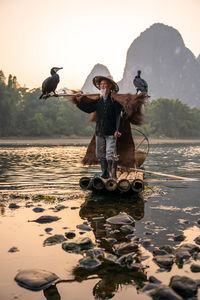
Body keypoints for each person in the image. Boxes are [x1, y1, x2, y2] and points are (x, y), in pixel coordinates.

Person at [76, 76, 124, 179]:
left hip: (111, 132)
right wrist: (79, 101)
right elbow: (88, 109)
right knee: (100, 155)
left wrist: (118, 130)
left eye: (104, 84)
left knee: (110, 154)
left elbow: (120, 116)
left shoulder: (115, 101)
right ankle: (105, 173)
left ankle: (113, 175)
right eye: (101, 84)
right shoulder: (99, 101)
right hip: (100, 132)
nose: (102, 86)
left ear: (109, 86)